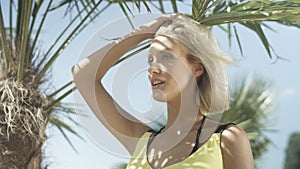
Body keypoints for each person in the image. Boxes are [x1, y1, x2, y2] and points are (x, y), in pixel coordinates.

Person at [72, 14, 254, 169]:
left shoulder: (227, 139)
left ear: (197, 69)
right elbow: (82, 74)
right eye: (150, 60)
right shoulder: (140, 141)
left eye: (166, 57)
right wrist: (144, 32)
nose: (153, 69)